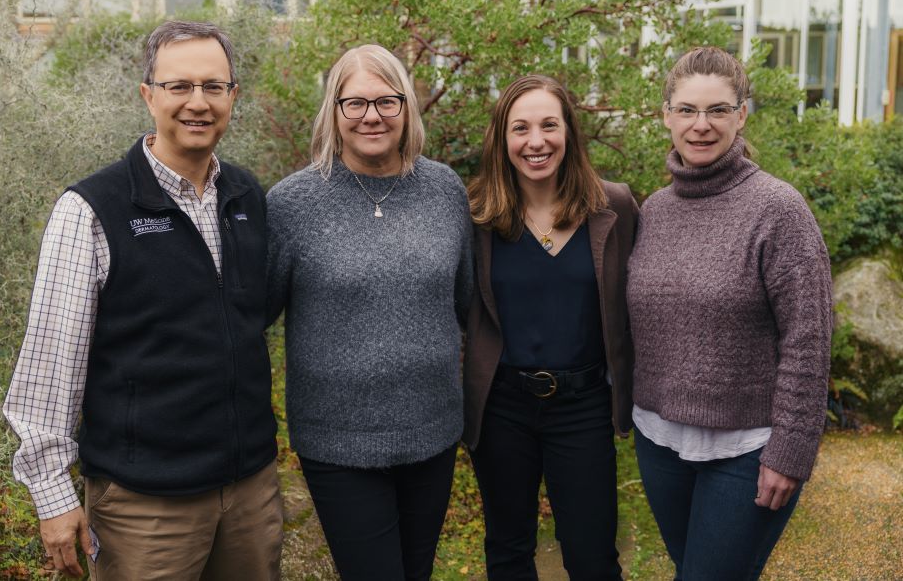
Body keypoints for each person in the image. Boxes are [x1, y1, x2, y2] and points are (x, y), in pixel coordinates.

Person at [3, 20, 282, 580]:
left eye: (212, 86)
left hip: (250, 488)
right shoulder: (90, 210)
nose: (197, 103)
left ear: (233, 97)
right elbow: (52, 360)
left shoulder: (246, 195)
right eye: (179, 86)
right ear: (148, 95)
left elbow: (248, 321)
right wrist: (54, 495)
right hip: (145, 504)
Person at [266, 43, 473, 581]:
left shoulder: (444, 190)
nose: (372, 116)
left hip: (432, 430)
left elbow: (467, 303)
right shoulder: (292, 205)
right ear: (333, 112)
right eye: (354, 103)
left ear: (407, 108)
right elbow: (253, 313)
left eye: (387, 100)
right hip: (338, 441)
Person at [627, 46, 832, 580]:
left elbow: (808, 341)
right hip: (659, 441)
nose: (701, 125)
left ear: (742, 114)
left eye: (718, 110)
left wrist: (791, 450)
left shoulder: (778, 209)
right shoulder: (654, 210)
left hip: (748, 448)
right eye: (688, 110)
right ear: (666, 115)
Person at [463, 74, 638, 580]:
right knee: (508, 552)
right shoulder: (477, 216)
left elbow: (644, 301)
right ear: (503, 139)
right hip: (502, 408)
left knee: (592, 557)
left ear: (570, 133)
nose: (535, 141)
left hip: (582, 407)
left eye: (548, 125)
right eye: (520, 128)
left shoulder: (615, 207)